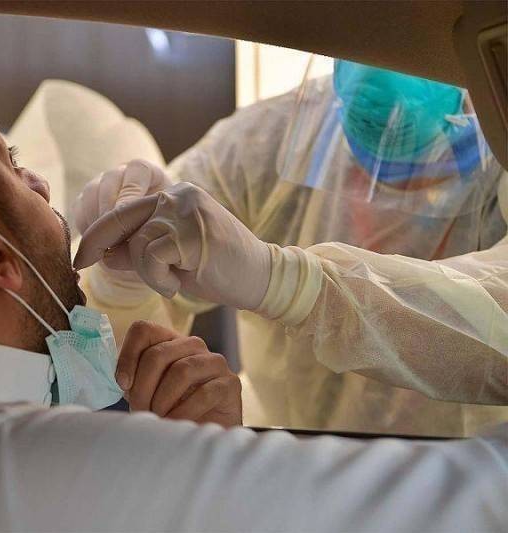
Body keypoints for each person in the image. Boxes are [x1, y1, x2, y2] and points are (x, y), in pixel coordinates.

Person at [0, 84, 506, 532]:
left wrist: (178, 451)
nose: (44, 185)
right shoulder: (22, 468)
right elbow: (472, 499)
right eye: (14, 165)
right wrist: (185, 462)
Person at [73, 60, 508, 437]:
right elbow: (118, 347)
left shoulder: (500, 151)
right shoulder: (270, 141)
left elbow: (497, 317)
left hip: (462, 478)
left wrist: (289, 284)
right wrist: (124, 282)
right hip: (292, 456)